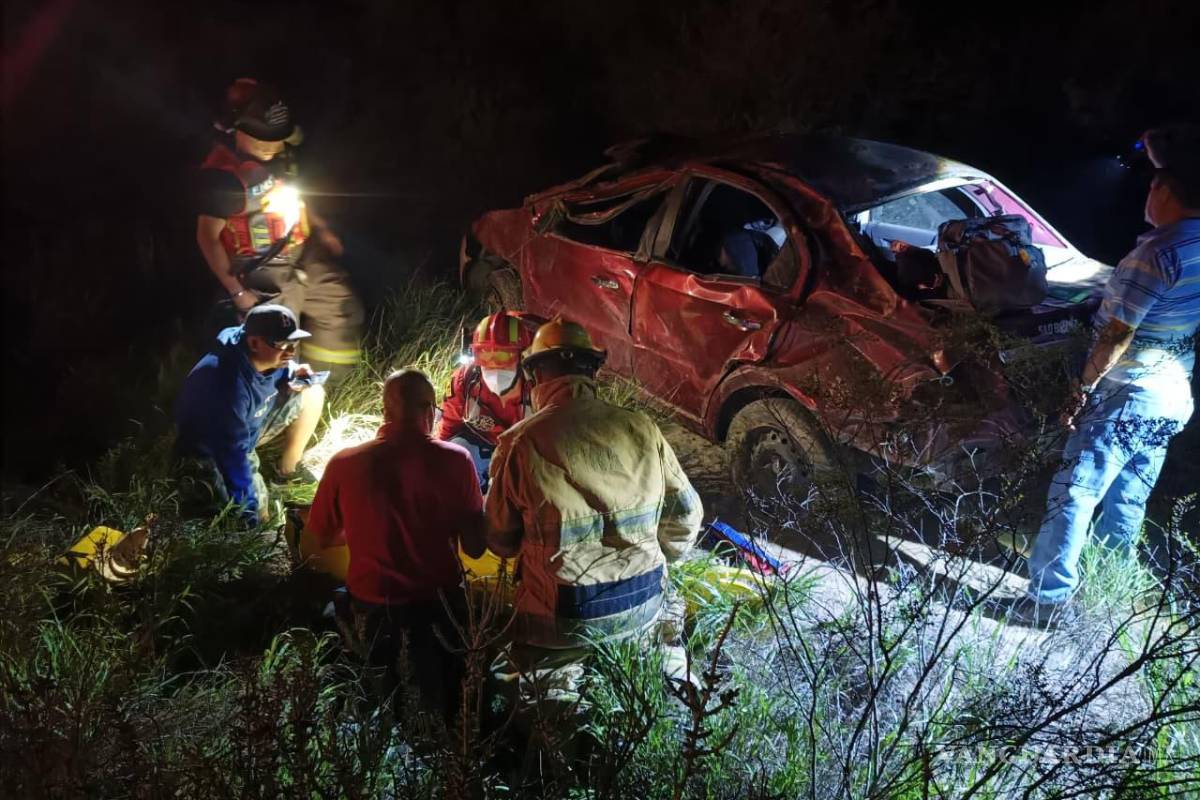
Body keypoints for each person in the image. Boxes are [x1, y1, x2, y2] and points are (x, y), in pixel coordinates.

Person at [1020, 125, 1200, 624]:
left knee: (1075, 491)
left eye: (1152, 185)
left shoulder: (1154, 255)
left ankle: (1047, 600)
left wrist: (1081, 390)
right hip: (1172, 396)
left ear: (1163, 192)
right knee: (1127, 498)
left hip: (1129, 392)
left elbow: (1116, 335)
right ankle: (1108, 594)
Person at [485, 316, 703, 721]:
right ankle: (672, 707)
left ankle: (560, 736)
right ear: (593, 370)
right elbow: (687, 516)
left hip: (562, 619)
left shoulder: (520, 442)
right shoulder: (643, 428)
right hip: (644, 603)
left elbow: (499, 539)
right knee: (660, 656)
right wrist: (653, 562)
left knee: (525, 686)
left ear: (534, 374)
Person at [300, 369, 486, 717]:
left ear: (384, 410)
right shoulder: (456, 460)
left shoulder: (344, 463)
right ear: (431, 410)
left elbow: (317, 540)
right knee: (442, 711)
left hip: (371, 611)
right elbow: (475, 547)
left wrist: (360, 528)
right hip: (439, 611)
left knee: (377, 707)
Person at [196, 78, 364, 377]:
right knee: (279, 341)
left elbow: (297, 191)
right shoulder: (224, 177)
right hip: (260, 265)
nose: (271, 145)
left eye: (276, 138)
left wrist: (321, 228)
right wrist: (237, 293)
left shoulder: (280, 153)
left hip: (300, 249)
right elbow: (207, 238)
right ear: (237, 128)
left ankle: (330, 388)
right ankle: (285, 403)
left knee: (339, 305)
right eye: (262, 139)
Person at [176, 304, 326, 525]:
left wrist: (295, 373)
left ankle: (286, 470)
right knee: (253, 516)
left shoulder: (263, 353)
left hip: (249, 424)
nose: (291, 352)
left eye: (293, 343)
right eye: (283, 344)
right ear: (254, 343)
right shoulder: (226, 384)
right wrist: (249, 513)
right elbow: (233, 454)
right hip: (213, 450)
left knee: (312, 391)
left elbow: (284, 364)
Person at [435, 311, 538, 490]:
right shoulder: (464, 382)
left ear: (522, 356)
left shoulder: (539, 387)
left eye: (503, 356)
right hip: (480, 447)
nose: (493, 365)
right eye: (485, 356)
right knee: (452, 457)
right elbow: (447, 431)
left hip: (525, 454)